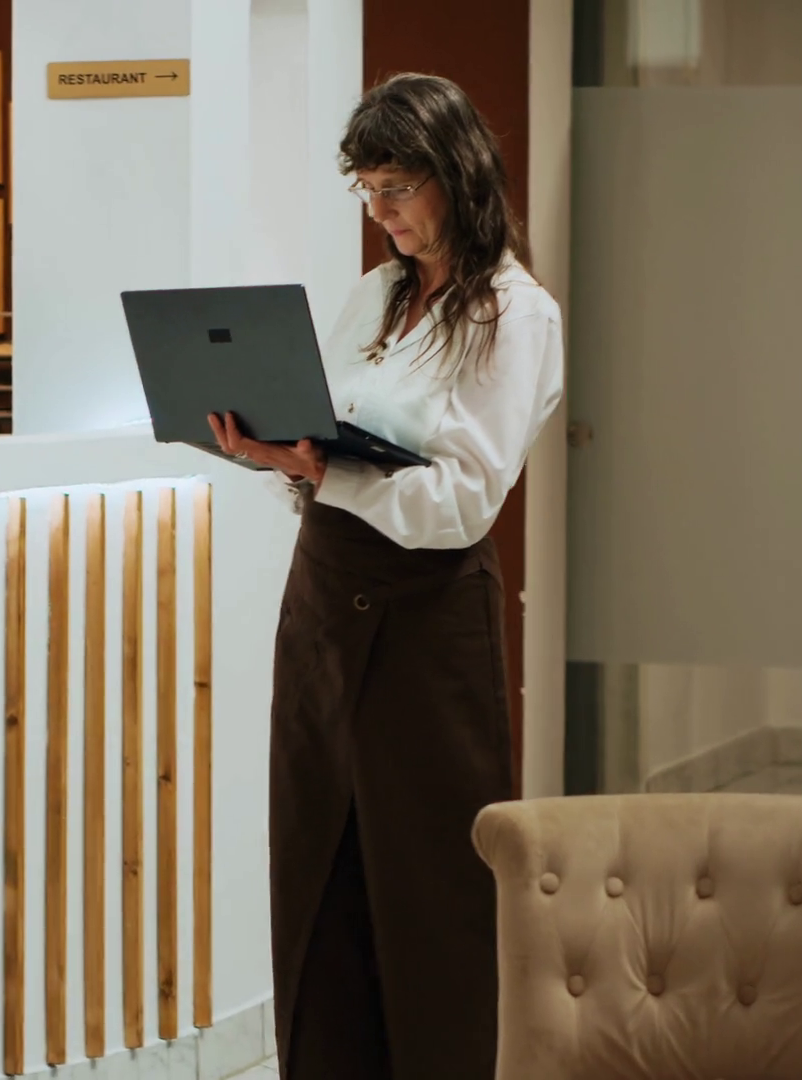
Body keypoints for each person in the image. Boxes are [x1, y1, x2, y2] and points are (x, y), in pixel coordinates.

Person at [208, 73, 564, 1079]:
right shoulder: (376, 294)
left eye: (397, 188)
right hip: (325, 599)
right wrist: (275, 451)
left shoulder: (515, 313)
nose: (382, 213)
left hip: (428, 616)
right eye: (367, 191)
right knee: (318, 873)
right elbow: (327, 432)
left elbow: (464, 500)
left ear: (458, 174)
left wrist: (325, 471)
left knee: (430, 890)